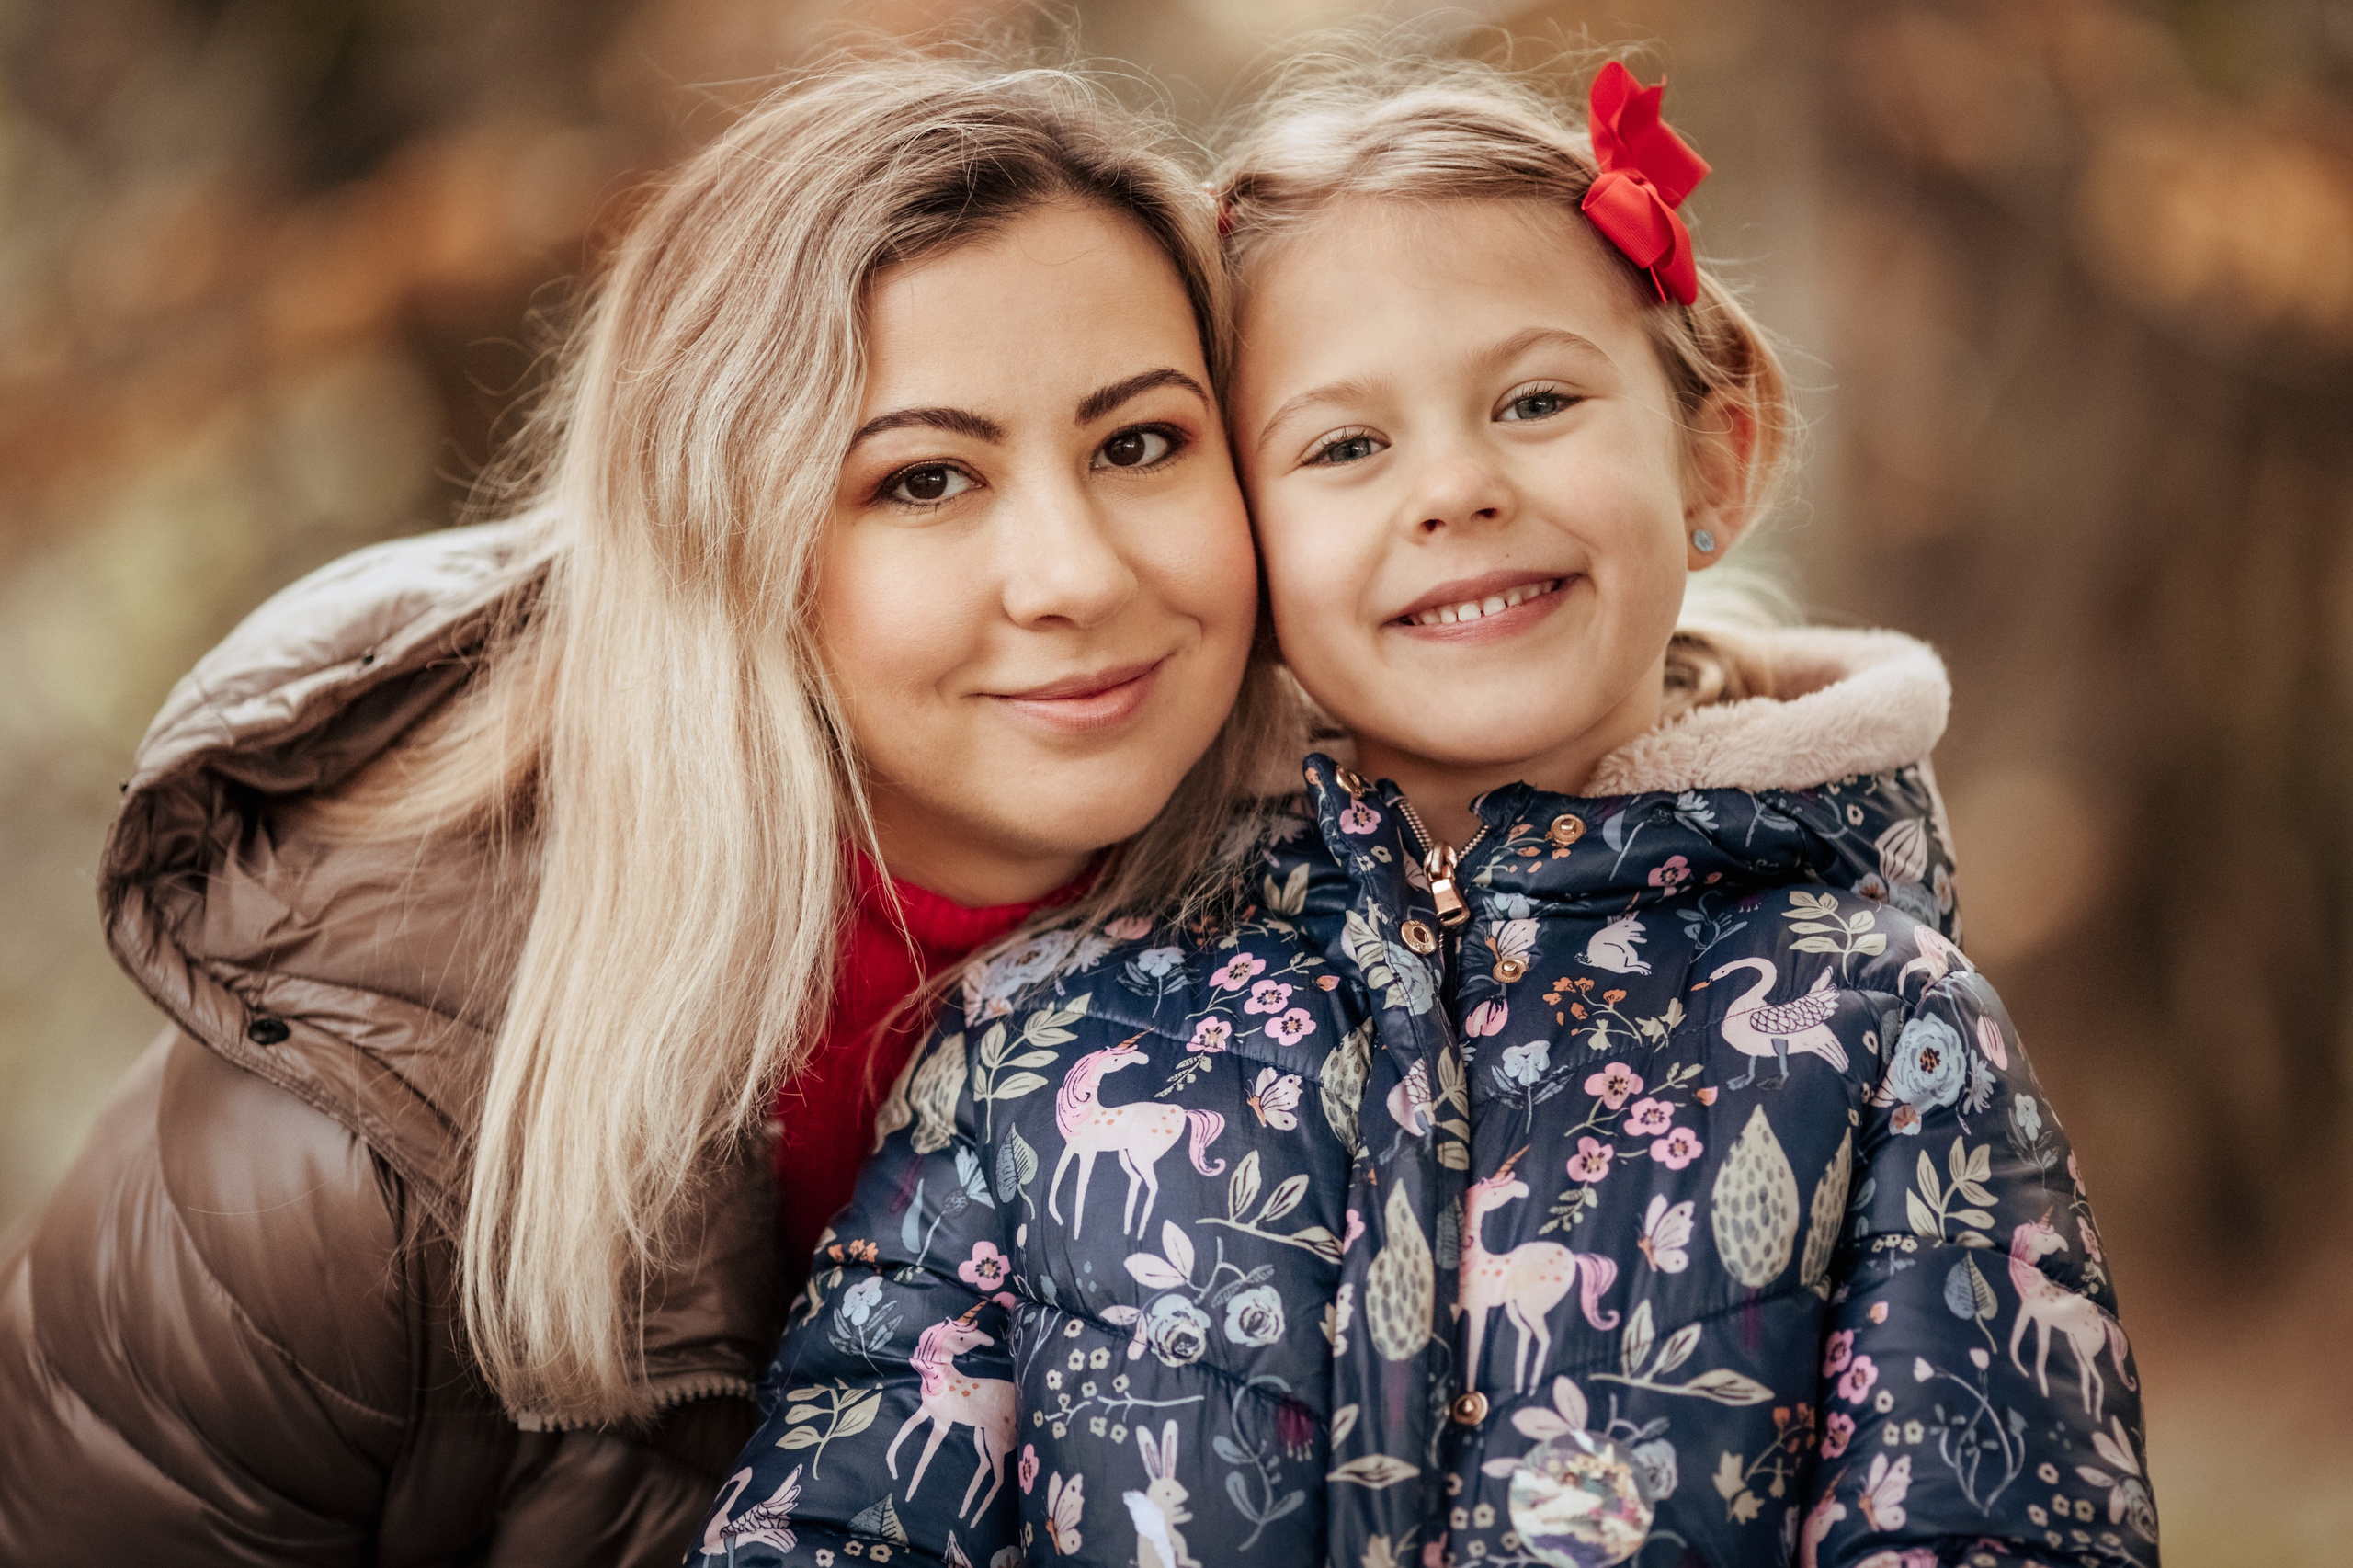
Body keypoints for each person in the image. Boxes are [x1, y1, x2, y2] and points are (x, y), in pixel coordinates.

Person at [697, 55, 2154, 1568]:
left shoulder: (1881, 1026)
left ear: (1719, 449)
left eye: (1534, 400)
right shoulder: (1038, 1035)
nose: (1454, 487)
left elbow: (1994, 1519)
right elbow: (834, 1518)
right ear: (1244, 544)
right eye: (1345, 446)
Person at [0, 55, 1297, 1564]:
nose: (1076, 574)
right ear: (719, 538)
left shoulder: (1418, 904)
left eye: (1139, 443)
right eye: (927, 479)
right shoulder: (346, 1148)